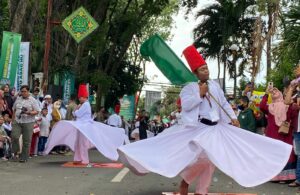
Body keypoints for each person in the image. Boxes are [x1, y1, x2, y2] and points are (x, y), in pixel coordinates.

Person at [117, 45, 292, 195]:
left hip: (217, 129)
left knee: (211, 161)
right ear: (195, 72)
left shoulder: (215, 85)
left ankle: (201, 190)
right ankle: (186, 180)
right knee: (205, 159)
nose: (206, 70)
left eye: (206, 67)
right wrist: (199, 95)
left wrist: (233, 118)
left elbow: (223, 102)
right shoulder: (189, 88)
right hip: (199, 129)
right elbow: (186, 106)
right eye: (202, 69)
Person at [44, 84, 128, 164]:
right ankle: (78, 158)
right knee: (79, 142)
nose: (79, 99)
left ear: (84, 97)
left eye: (80, 97)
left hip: (84, 126)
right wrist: (76, 110)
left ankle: (84, 159)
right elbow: (77, 114)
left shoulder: (86, 105)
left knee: (82, 143)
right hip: (82, 126)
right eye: (79, 97)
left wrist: (76, 109)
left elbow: (77, 114)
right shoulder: (85, 104)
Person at [11, 85, 40, 162]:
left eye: (25, 91)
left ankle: (24, 157)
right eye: (22, 91)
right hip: (17, 121)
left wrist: (29, 112)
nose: (23, 93)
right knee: (14, 136)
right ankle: (15, 153)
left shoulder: (33, 100)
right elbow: (14, 109)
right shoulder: (18, 99)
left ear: (28, 91)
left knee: (26, 140)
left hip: (28, 122)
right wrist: (12, 120)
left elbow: (37, 111)